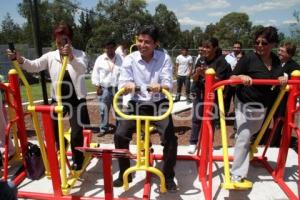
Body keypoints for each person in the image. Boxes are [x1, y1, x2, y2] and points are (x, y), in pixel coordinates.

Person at [7, 22, 90, 171]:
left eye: (64, 41)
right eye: (58, 42)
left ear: (70, 40)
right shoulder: (51, 56)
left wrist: (71, 57)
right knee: (52, 129)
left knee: (77, 132)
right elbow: (34, 65)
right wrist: (19, 59)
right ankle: (62, 143)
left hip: (76, 99)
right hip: (58, 98)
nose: (60, 45)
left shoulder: (80, 54)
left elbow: (82, 69)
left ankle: (78, 159)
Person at [114, 25, 178, 192]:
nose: (142, 45)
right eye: (139, 41)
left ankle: (169, 175)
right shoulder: (130, 59)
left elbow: (168, 83)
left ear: (156, 43)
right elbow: (123, 81)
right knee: (120, 135)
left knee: (170, 138)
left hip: (159, 102)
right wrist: (127, 84)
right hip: (137, 102)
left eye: (147, 42)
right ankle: (124, 173)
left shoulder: (164, 58)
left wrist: (161, 85)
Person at [230, 26, 288, 186]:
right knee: (244, 136)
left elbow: (278, 76)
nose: (260, 45)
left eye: (264, 42)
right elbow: (232, 77)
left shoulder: (275, 60)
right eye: (257, 42)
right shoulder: (248, 58)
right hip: (245, 103)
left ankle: (246, 154)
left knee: (252, 134)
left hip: (262, 105)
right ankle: (237, 175)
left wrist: (283, 78)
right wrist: (241, 76)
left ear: (273, 44)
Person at [188, 38, 232, 154]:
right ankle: (193, 143)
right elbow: (193, 78)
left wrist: (206, 73)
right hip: (200, 92)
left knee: (210, 119)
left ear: (215, 48)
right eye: (203, 47)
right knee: (196, 118)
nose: (204, 49)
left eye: (208, 47)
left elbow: (219, 80)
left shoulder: (221, 61)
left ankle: (208, 144)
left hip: (213, 94)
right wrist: (197, 73)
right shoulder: (201, 59)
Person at [270, 42, 300, 147]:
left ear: (290, 54)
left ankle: (274, 145)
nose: (279, 53)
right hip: (273, 97)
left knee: (280, 121)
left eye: (282, 51)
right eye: (279, 50)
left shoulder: (295, 67)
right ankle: (272, 140)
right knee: (273, 119)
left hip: (284, 100)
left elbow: (295, 85)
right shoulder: (277, 63)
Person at [91, 40, 123, 136]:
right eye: (107, 48)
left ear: (114, 48)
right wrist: (97, 86)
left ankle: (120, 128)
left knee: (119, 110)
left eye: (111, 47)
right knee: (103, 110)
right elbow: (95, 73)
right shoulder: (100, 59)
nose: (109, 50)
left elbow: (125, 73)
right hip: (105, 89)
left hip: (118, 89)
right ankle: (103, 128)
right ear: (104, 49)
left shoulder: (121, 59)